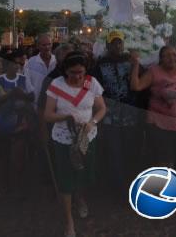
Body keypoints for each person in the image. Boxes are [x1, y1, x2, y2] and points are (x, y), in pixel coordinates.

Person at [44, 51, 107, 237]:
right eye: (73, 72)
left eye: (81, 72)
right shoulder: (56, 85)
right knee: (66, 178)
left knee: (83, 173)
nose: (77, 76)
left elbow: (102, 108)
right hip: (64, 139)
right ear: (65, 71)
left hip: (87, 138)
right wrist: (66, 117)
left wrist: (92, 123)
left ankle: (80, 198)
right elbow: (47, 115)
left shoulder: (91, 83)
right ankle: (69, 221)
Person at [92, 30, 140, 192]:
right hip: (109, 116)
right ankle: (118, 187)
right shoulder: (100, 64)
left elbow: (139, 82)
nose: (117, 46)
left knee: (130, 149)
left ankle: (131, 184)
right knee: (114, 151)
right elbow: (95, 88)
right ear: (107, 45)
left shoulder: (130, 61)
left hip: (129, 115)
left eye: (120, 42)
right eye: (114, 43)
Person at [0, 53, 34, 194]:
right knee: (4, 155)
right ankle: (5, 183)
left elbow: (31, 96)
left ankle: (19, 183)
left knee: (19, 155)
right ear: (5, 66)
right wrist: (12, 93)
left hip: (20, 121)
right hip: (3, 121)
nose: (15, 66)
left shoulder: (24, 78)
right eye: (11, 64)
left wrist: (21, 94)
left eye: (16, 63)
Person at [24, 34, 57, 107]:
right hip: (36, 103)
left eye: (49, 44)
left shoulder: (57, 61)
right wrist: (31, 93)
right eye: (44, 45)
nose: (47, 47)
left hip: (54, 103)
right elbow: (27, 81)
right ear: (38, 46)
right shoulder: (31, 62)